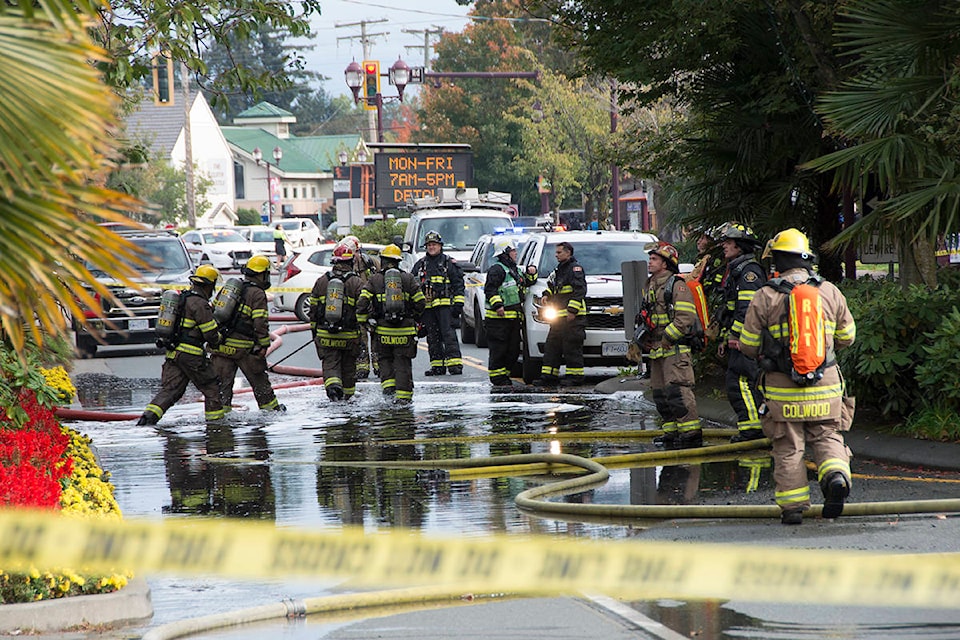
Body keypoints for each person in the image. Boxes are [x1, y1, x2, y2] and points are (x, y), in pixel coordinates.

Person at [740, 228, 856, 525]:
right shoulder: (829, 291)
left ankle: (792, 508)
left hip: (782, 390)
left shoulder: (765, 296)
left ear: (777, 260)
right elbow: (848, 337)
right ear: (806, 260)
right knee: (828, 436)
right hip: (826, 385)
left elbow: (748, 346)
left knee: (789, 446)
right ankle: (835, 477)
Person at [137, 265, 225, 425]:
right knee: (211, 387)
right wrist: (219, 339)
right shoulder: (200, 304)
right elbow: (210, 334)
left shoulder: (183, 299)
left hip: (174, 353)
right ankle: (217, 426)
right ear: (208, 285)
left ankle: (147, 419)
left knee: (171, 390)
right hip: (191, 356)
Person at [641, 242, 703, 449]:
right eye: (650, 259)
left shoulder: (677, 285)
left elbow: (685, 317)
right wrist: (640, 339)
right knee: (660, 394)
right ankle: (671, 431)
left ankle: (691, 433)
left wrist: (667, 338)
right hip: (657, 349)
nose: (650, 262)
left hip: (674, 349)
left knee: (677, 391)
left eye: (654, 259)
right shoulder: (650, 285)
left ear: (666, 264)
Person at [210, 255, 285, 413]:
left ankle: (218, 421)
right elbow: (260, 323)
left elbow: (213, 312)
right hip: (245, 350)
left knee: (220, 389)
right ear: (261, 274)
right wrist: (263, 345)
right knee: (261, 385)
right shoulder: (257, 294)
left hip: (221, 347)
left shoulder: (229, 288)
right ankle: (271, 412)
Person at [716, 221, 767, 443]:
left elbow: (747, 310)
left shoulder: (749, 273)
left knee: (740, 382)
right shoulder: (737, 270)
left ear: (740, 245)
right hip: (741, 339)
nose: (724, 246)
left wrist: (735, 335)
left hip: (747, 340)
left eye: (728, 242)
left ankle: (754, 429)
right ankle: (753, 428)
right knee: (739, 382)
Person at [357, 244, 426, 402]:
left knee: (385, 361)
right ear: (398, 261)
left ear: (383, 260)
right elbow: (421, 303)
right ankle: (404, 399)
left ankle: (388, 393)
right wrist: (412, 317)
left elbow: (362, 303)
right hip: (405, 332)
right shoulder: (408, 278)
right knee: (403, 363)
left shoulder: (375, 279)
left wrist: (366, 321)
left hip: (383, 331)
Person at [308, 243, 364, 401]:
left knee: (330, 365)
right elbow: (363, 309)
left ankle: (333, 390)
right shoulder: (357, 283)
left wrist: (315, 333)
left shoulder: (321, 282)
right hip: (349, 336)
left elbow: (313, 312)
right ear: (351, 262)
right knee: (348, 369)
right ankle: (348, 398)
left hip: (326, 335)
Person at [483, 237, 538, 386]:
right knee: (499, 350)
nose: (516, 253)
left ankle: (504, 376)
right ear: (505, 253)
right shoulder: (497, 270)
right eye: (513, 250)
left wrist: (532, 272)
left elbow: (526, 282)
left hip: (513, 319)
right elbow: (490, 289)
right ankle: (497, 378)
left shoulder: (514, 270)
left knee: (512, 350)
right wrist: (498, 305)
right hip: (498, 320)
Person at [534, 241, 587, 387]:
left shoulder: (575, 269)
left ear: (568, 253)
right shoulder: (560, 269)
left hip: (572, 319)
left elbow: (579, 290)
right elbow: (554, 286)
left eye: (559, 252)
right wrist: (546, 294)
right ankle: (548, 377)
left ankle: (575, 378)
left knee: (571, 348)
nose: (556, 255)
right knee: (552, 347)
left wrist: (572, 311)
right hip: (558, 318)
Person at [412, 230, 465, 376]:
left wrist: (458, 305)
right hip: (428, 309)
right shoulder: (420, 265)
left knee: (449, 336)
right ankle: (437, 366)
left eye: (434, 244)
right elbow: (412, 285)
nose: (431, 247)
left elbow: (459, 285)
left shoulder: (449, 263)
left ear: (440, 246)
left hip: (446, 308)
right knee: (432, 337)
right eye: (429, 245)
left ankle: (455, 366)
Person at [340, 235, 381, 380]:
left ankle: (379, 366)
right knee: (360, 338)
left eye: (355, 252)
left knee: (377, 337)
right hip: (357, 309)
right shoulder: (345, 266)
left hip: (374, 307)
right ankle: (362, 367)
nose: (354, 256)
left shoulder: (371, 263)